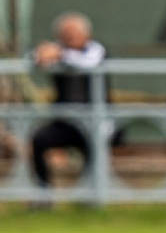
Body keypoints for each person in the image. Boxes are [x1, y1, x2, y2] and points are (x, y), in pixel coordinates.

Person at [30, 12, 108, 190]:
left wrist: (60, 55)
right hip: (64, 121)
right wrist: (42, 54)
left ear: (87, 36)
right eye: (66, 36)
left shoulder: (97, 50)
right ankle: (42, 195)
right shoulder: (58, 51)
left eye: (74, 35)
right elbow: (37, 58)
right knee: (39, 140)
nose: (70, 40)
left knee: (95, 144)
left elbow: (88, 62)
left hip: (96, 119)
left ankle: (91, 194)